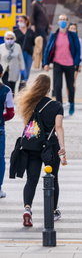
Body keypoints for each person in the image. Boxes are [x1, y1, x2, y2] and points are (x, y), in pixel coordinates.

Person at [17, 74, 67, 227]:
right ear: (48, 88)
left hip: (33, 146)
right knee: (53, 178)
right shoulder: (56, 105)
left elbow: (29, 126)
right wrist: (63, 148)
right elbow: (58, 127)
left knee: (31, 179)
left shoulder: (29, 103)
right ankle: (52, 211)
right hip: (50, 147)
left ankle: (27, 209)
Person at [43, 14, 81, 116]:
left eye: (64, 20)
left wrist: (76, 63)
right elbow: (47, 49)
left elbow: (78, 50)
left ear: (67, 22)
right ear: (58, 22)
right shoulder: (54, 35)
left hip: (70, 64)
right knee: (57, 86)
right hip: (57, 63)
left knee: (70, 86)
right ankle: (59, 107)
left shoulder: (72, 35)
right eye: (61, 19)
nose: (63, 21)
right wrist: (45, 63)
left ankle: (72, 103)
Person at [0, 65, 15, 198]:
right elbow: (10, 113)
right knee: (0, 158)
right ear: (1, 74)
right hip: (0, 127)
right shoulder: (6, 90)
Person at [14, 15, 36, 84]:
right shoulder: (15, 32)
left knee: (27, 71)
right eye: (19, 21)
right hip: (19, 54)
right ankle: (22, 85)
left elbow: (34, 43)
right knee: (22, 71)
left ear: (26, 21)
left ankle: (23, 85)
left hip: (29, 54)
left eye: (21, 21)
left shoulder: (31, 31)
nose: (20, 22)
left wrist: (35, 54)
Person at [68, 23, 82, 95]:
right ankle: (68, 98)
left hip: (75, 63)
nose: (73, 30)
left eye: (74, 28)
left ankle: (71, 98)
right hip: (66, 62)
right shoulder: (66, 39)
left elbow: (81, 52)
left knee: (73, 81)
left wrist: (80, 64)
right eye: (71, 28)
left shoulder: (79, 39)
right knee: (68, 82)